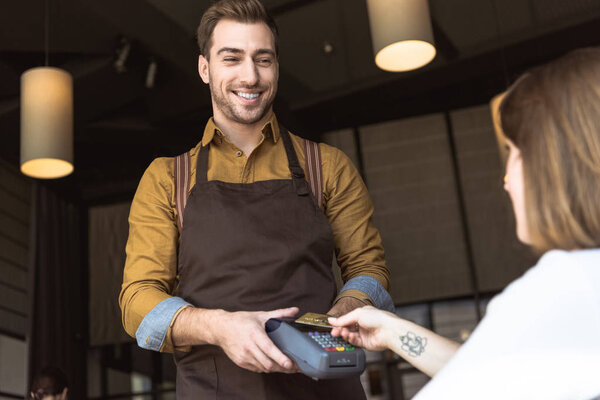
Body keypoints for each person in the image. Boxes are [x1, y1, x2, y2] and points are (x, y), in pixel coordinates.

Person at [119, 0, 393, 398]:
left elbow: (370, 271)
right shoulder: (166, 179)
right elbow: (138, 303)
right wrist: (219, 327)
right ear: (204, 68)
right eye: (232, 58)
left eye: (262, 60)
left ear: (277, 68)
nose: (250, 76)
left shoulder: (327, 167)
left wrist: (335, 320)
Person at [330, 47, 600, 399]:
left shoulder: (562, 286)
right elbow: (495, 374)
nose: (506, 179)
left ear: (555, 166)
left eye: (514, 154)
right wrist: (393, 331)